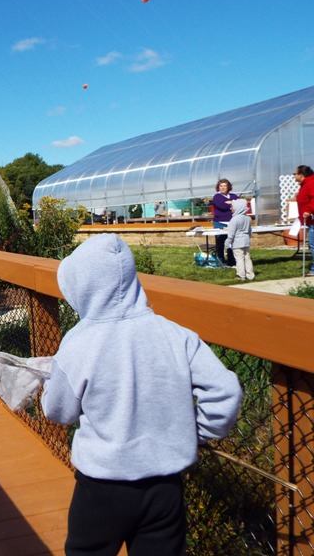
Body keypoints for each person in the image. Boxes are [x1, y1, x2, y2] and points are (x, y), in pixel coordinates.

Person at [41, 234, 242, 556]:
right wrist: (196, 433)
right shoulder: (175, 335)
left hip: (101, 485)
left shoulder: (78, 344)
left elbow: (58, 411)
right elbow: (225, 390)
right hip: (164, 484)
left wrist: (47, 387)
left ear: (81, 287)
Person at [224, 199, 255, 282]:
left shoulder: (234, 219)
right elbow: (250, 231)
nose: (231, 208)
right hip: (246, 241)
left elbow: (231, 235)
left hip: (237, 242)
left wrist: (227, 244)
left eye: (232, 206)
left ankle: (241, 275)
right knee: (247, 258)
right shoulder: (248, 218)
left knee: (239, 259)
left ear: (238, 207)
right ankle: (250, 275)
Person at [212, 179, 239, 266]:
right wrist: (233, 203)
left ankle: (232, 261)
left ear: (228, 187)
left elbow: (240, 205)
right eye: (221, 186)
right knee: (220, 243)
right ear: (218, 187)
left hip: (232, 222)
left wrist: (231, 202)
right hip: (220, 223)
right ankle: (221, 261)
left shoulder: (234, 196)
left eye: (225, 186)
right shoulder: (217, 197)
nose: (223, 188)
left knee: (232, 242)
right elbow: (222, 206)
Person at [294, 165, 314, 276]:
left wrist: (309, 210)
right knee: (312, 244)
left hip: (312, 218)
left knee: (313, 244)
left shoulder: (310, 183)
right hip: (310, 220)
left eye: (295, 174)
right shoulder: (305, 184)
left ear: (301, 175)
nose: (294, 176)